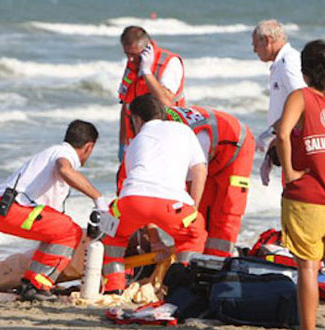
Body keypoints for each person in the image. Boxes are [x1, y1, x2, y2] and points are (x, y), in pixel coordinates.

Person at [0, 120, 107, 301]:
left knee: (57, 231)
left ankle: (31, 285)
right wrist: (98, 198)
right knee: (70, 231)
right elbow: (64, 168)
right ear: (89, 146)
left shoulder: (49, 153)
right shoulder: (65, 153)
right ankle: (38, 284)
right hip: (11, 208)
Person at [102, 94, 207, 294]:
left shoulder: (136, 142)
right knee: (193, 236)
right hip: (174, 205)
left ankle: (113, 289)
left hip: (132, 202)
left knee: (113, 235)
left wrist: (155, 238)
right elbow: (200, 171)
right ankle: (181, 287)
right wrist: (193, 208)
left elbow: (141, 193)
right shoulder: (184, 130)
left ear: (137, 119)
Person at [276, 40, 325, 330]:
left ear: (304, 72)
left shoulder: (300, 97)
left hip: (308, 196)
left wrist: (289, 171)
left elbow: (282, 133)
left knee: (308, 267)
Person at [164, 105, 255, 257]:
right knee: (203, 210)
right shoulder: (155, 129)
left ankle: (217, 263)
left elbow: (194, 182)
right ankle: (196, 257)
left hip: (237, 149)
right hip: (212, 154)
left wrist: (189, 218)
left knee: (226, 212)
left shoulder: (189, 138)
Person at [118, 26, 186, 161]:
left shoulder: (169, 63)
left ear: (147, 49)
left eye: (135, 55)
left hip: (165, 141)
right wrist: (122, 144)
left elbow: (166, 101)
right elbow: (125, 106)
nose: (131, 60)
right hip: (137, 142)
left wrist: (147, 72)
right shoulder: (132, 65)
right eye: (127, 54)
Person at [251, 20, 306, 185]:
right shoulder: (280, 63)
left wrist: (270, 136)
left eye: (255, 44)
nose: (254, 50)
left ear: (267, 40)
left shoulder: (288, 62)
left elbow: (303, 102)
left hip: (294, 144)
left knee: (293, 194)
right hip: (285, 141)